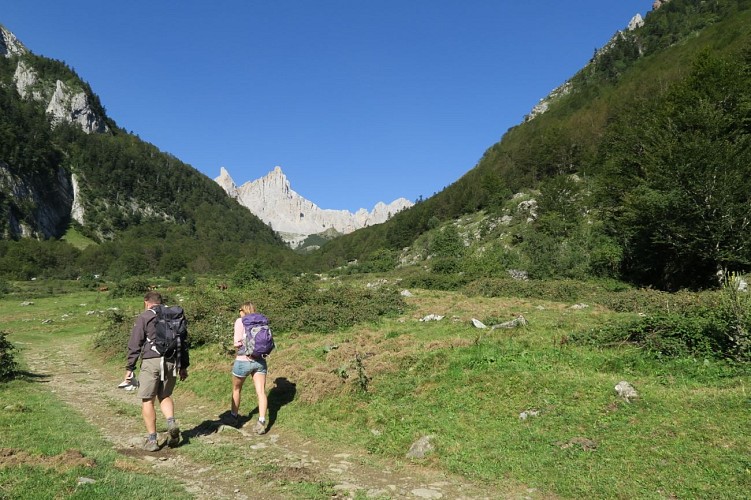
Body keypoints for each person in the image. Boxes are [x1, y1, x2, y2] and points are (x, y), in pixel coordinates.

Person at [125, 291, 189, 451]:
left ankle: (152, 440)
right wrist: (183, 366)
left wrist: (130, 367)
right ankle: (170, 421)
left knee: (148, 400)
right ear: (160, 302)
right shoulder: (174, 315)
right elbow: (183, 341)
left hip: (151, 361)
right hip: (170, 361)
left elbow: (135, 343)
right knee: (165, 395)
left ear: (146, 302)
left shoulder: (145, 316)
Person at [227, 301, 268, 434]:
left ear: (242, 310)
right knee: (261, 392)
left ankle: (233, 417)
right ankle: (261, 421)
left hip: (243, 360)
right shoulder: (261, 321)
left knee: (236, 389)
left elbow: (236, 344)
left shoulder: (240, 321)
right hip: (260, 361)